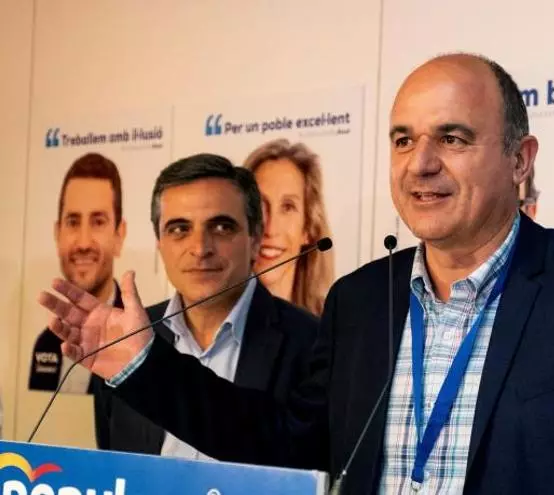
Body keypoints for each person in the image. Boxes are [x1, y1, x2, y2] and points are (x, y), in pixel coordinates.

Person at [39, 54, 554, 494]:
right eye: (402, 139)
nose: (420, 163)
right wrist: (143, 364)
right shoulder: (361, 300)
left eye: (452, 137)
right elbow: (278, 438)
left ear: (520, 160)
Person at [91, 154, 320, 458]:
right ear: (159, 242)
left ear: (255, 239)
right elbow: (116, 464)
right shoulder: (125, 340)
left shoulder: (312, 344)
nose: (200, 248)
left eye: (221, 227)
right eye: (179, 229)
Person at [29, 152, 126, 395]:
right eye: (73, 222)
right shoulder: (44, 344)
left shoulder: (138, 339)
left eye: (98, 222)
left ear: (119, 235)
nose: (83, 243)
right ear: (57, 233)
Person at [243, 138, 334, 316]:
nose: (270, 229)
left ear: (308, 229)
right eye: (259, 205)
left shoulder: (335, 325)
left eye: (288, 207)